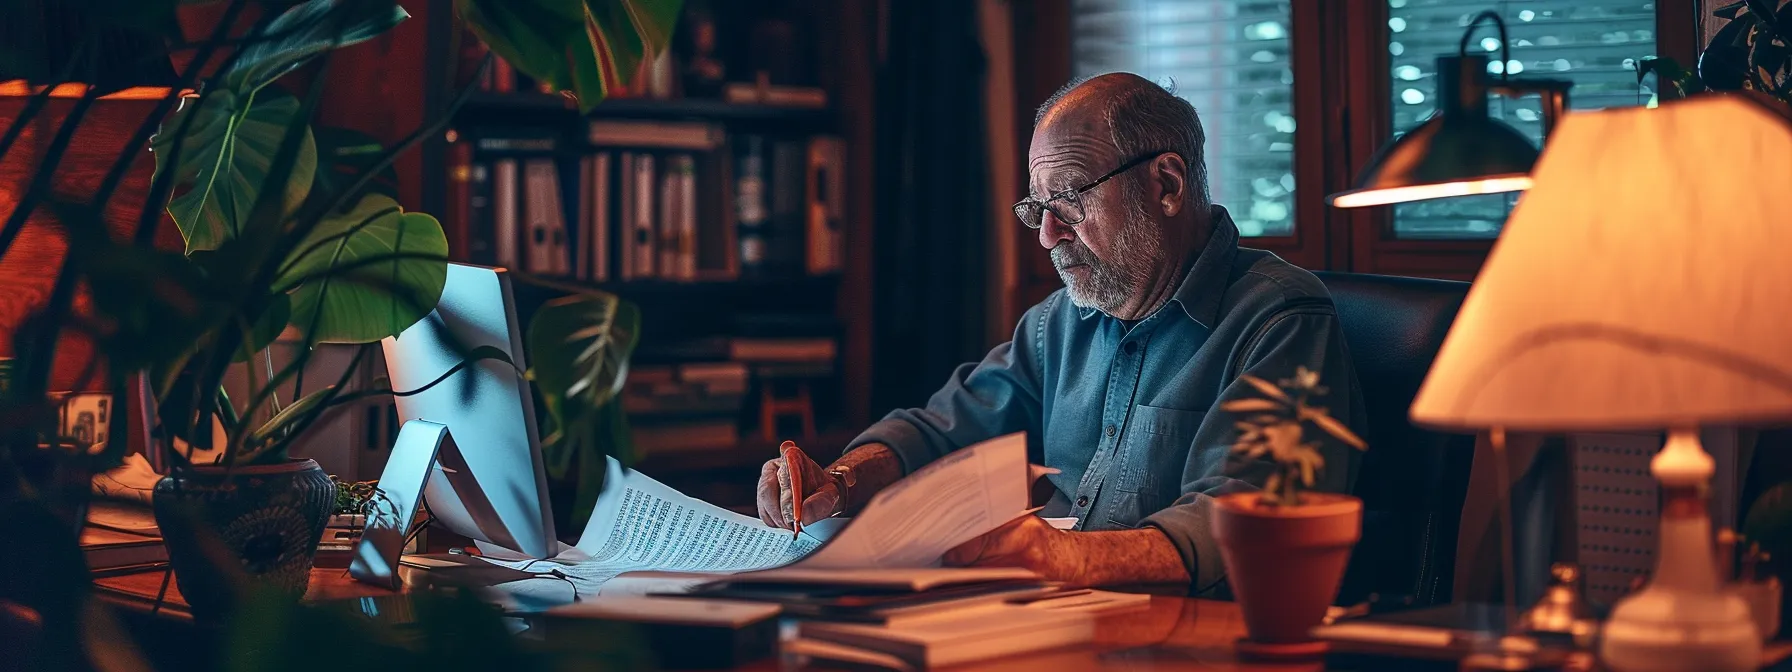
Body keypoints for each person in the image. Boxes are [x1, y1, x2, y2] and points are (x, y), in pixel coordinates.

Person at [757, 72, 1366, 593]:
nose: (1047, 235)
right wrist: (838, 482)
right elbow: (938, 434)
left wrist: (1067, 557)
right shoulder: (1060, 323)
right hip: (1065, 625)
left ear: (1167, 185)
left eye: (1069, 200)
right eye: (1035, 209)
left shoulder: (1279, 319)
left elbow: (1254, 522)